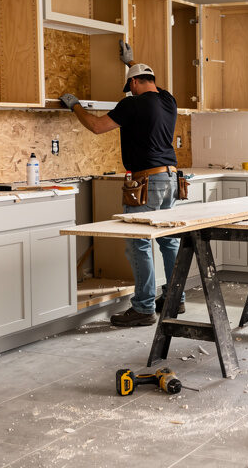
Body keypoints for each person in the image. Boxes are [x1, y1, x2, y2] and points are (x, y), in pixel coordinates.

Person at [59, 42, 184, 327]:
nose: (130, 92)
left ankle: (143, 308)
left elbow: (96, 126)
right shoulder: (169, 100)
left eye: (131, 87)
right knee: (169, 241)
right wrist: (131, 63)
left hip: (147, 181)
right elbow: (146, 79)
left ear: (135, 83)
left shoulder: (131, 104)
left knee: (138, 244)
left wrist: (75, 106)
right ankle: (175, 298)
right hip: (171, 179)